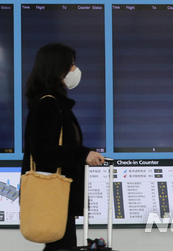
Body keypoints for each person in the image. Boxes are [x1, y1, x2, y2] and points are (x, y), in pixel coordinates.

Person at [22, 43, 105, 251]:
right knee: (62, 246)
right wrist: (83, 154)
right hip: (54, 193)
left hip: (58, 194)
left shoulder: (51, 104)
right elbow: (43, 152)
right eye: (71, 65)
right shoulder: (48, 105)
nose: (75, 71)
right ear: (58, 69)